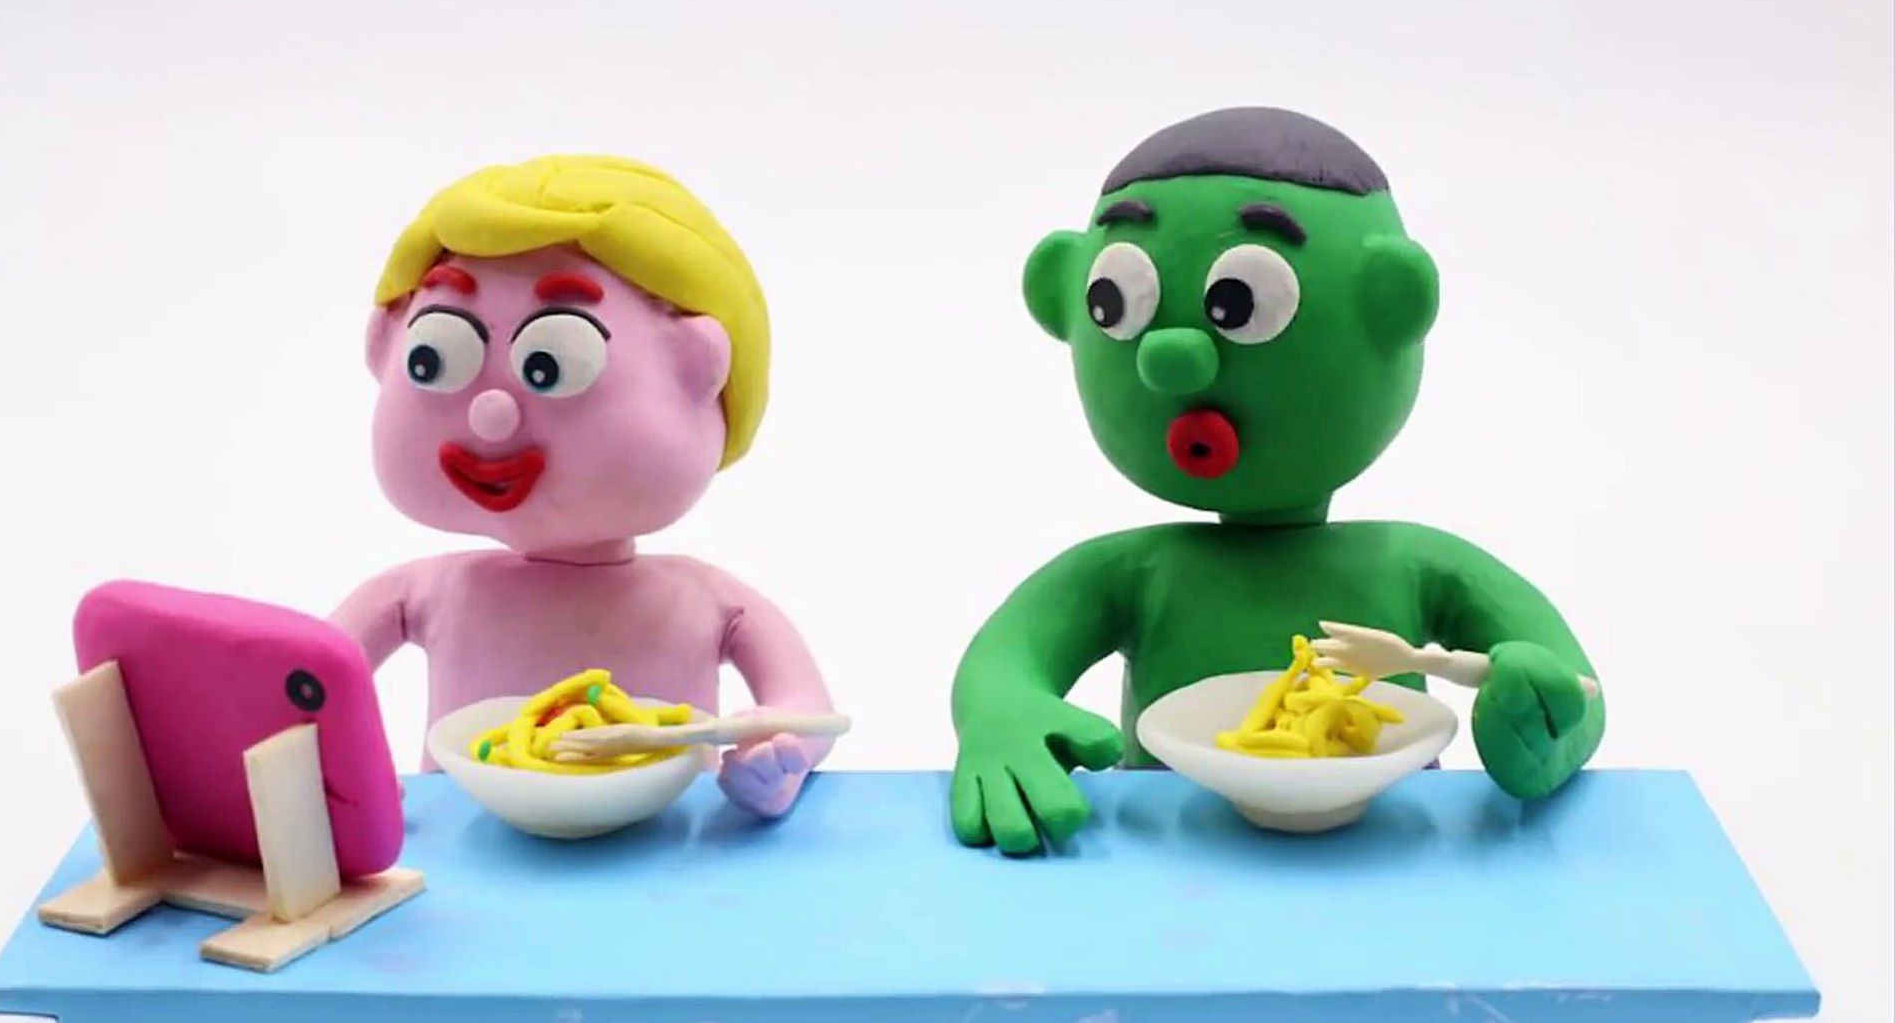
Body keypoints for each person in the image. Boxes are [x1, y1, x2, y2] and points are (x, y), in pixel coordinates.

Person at [950, 107, 1603, 855]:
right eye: (1113, 303)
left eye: (1238, 305)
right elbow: (1011, 654)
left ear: (1394, 303)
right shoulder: (1134, 571)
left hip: (1391, 849)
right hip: (1170, 855)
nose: (1171, 359)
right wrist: (1003, 715)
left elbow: (1575, 689)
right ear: (1061, 296)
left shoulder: (1413, 563)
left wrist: (1541, 726)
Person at [332, 155, 836, 818]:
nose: (491, 415)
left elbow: (807, 708)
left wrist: (777, 756)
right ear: (385, 346)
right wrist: (336, 765)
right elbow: (310, 684)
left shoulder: (705, 601)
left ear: (700, 366)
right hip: (464, 851)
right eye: (434, 356)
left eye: (551, 364)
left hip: (670, 846)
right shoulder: (424, 593)